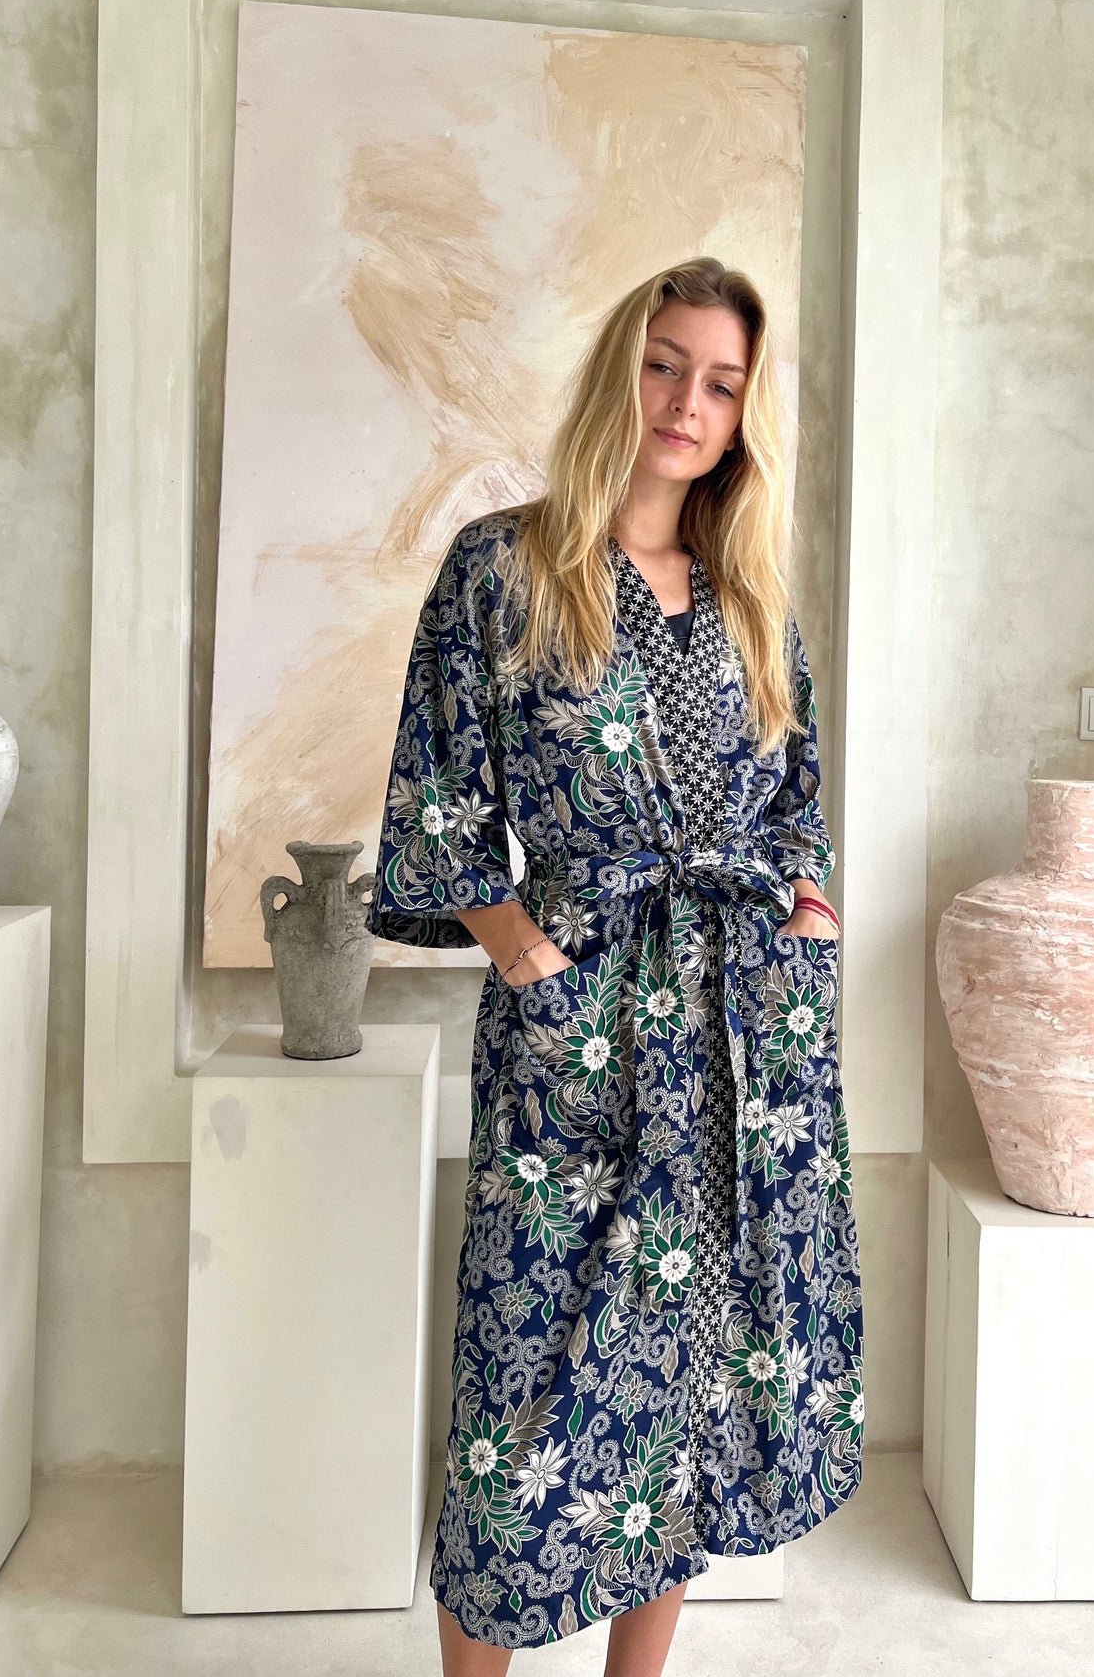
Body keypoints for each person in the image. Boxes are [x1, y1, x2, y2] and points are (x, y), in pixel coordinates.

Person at [366, 255, 864, 1675]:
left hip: (739, 1032)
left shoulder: (746, 598)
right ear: (617, 374)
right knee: (524, 1383)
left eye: (721, 383)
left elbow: (794, 799)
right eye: (664, 365)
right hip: (576, 1023)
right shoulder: (506, 569)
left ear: (744, 413)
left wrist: (808, 913)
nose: (687, 402)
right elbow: (440, 793)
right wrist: (523, 953)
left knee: (694, 1378)